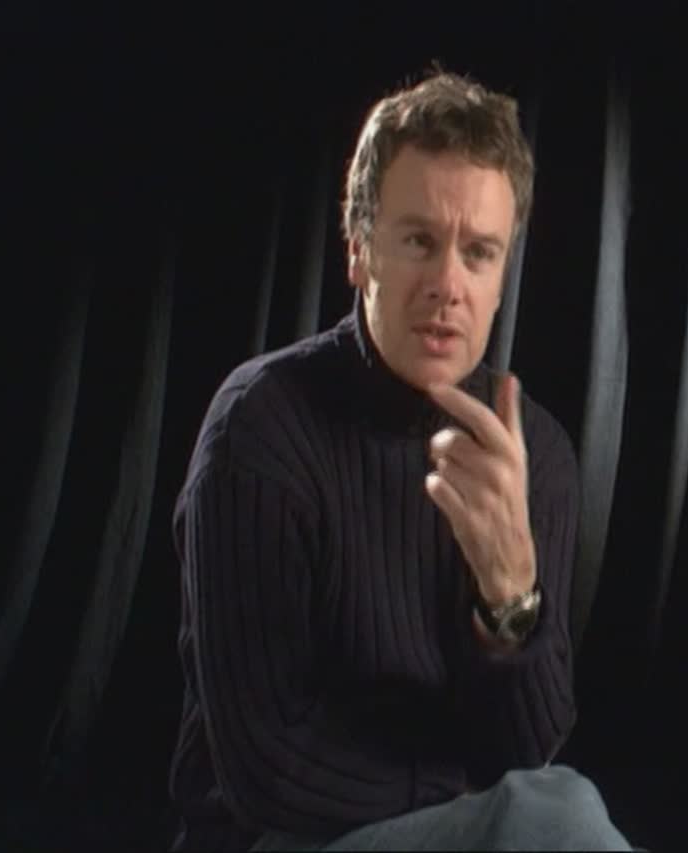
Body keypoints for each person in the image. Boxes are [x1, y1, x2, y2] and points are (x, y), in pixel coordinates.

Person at [165, 70, 633, 851]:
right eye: (419, 241)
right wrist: (471, 798)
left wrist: (510, 597)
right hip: (279, 838)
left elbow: (528, 748)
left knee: (551, 807)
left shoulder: (533, 454)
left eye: (478, 253)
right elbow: (267, 770)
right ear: (359, 251)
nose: (448, 284)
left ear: (501, 277)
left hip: (471, 830)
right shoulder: (260, 428)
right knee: (548, 811)